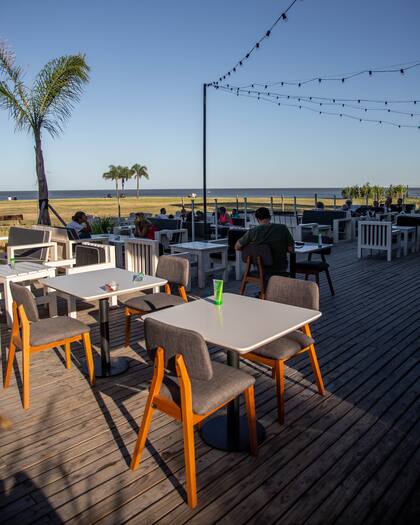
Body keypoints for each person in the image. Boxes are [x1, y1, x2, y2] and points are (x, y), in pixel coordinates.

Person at [235, 207, 294, 277]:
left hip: (261, 269)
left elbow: (237, 247)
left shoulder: (253, 231)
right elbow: (291, 249)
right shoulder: (283, 228)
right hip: (281, 268)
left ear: (257, 219)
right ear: (270, 217)